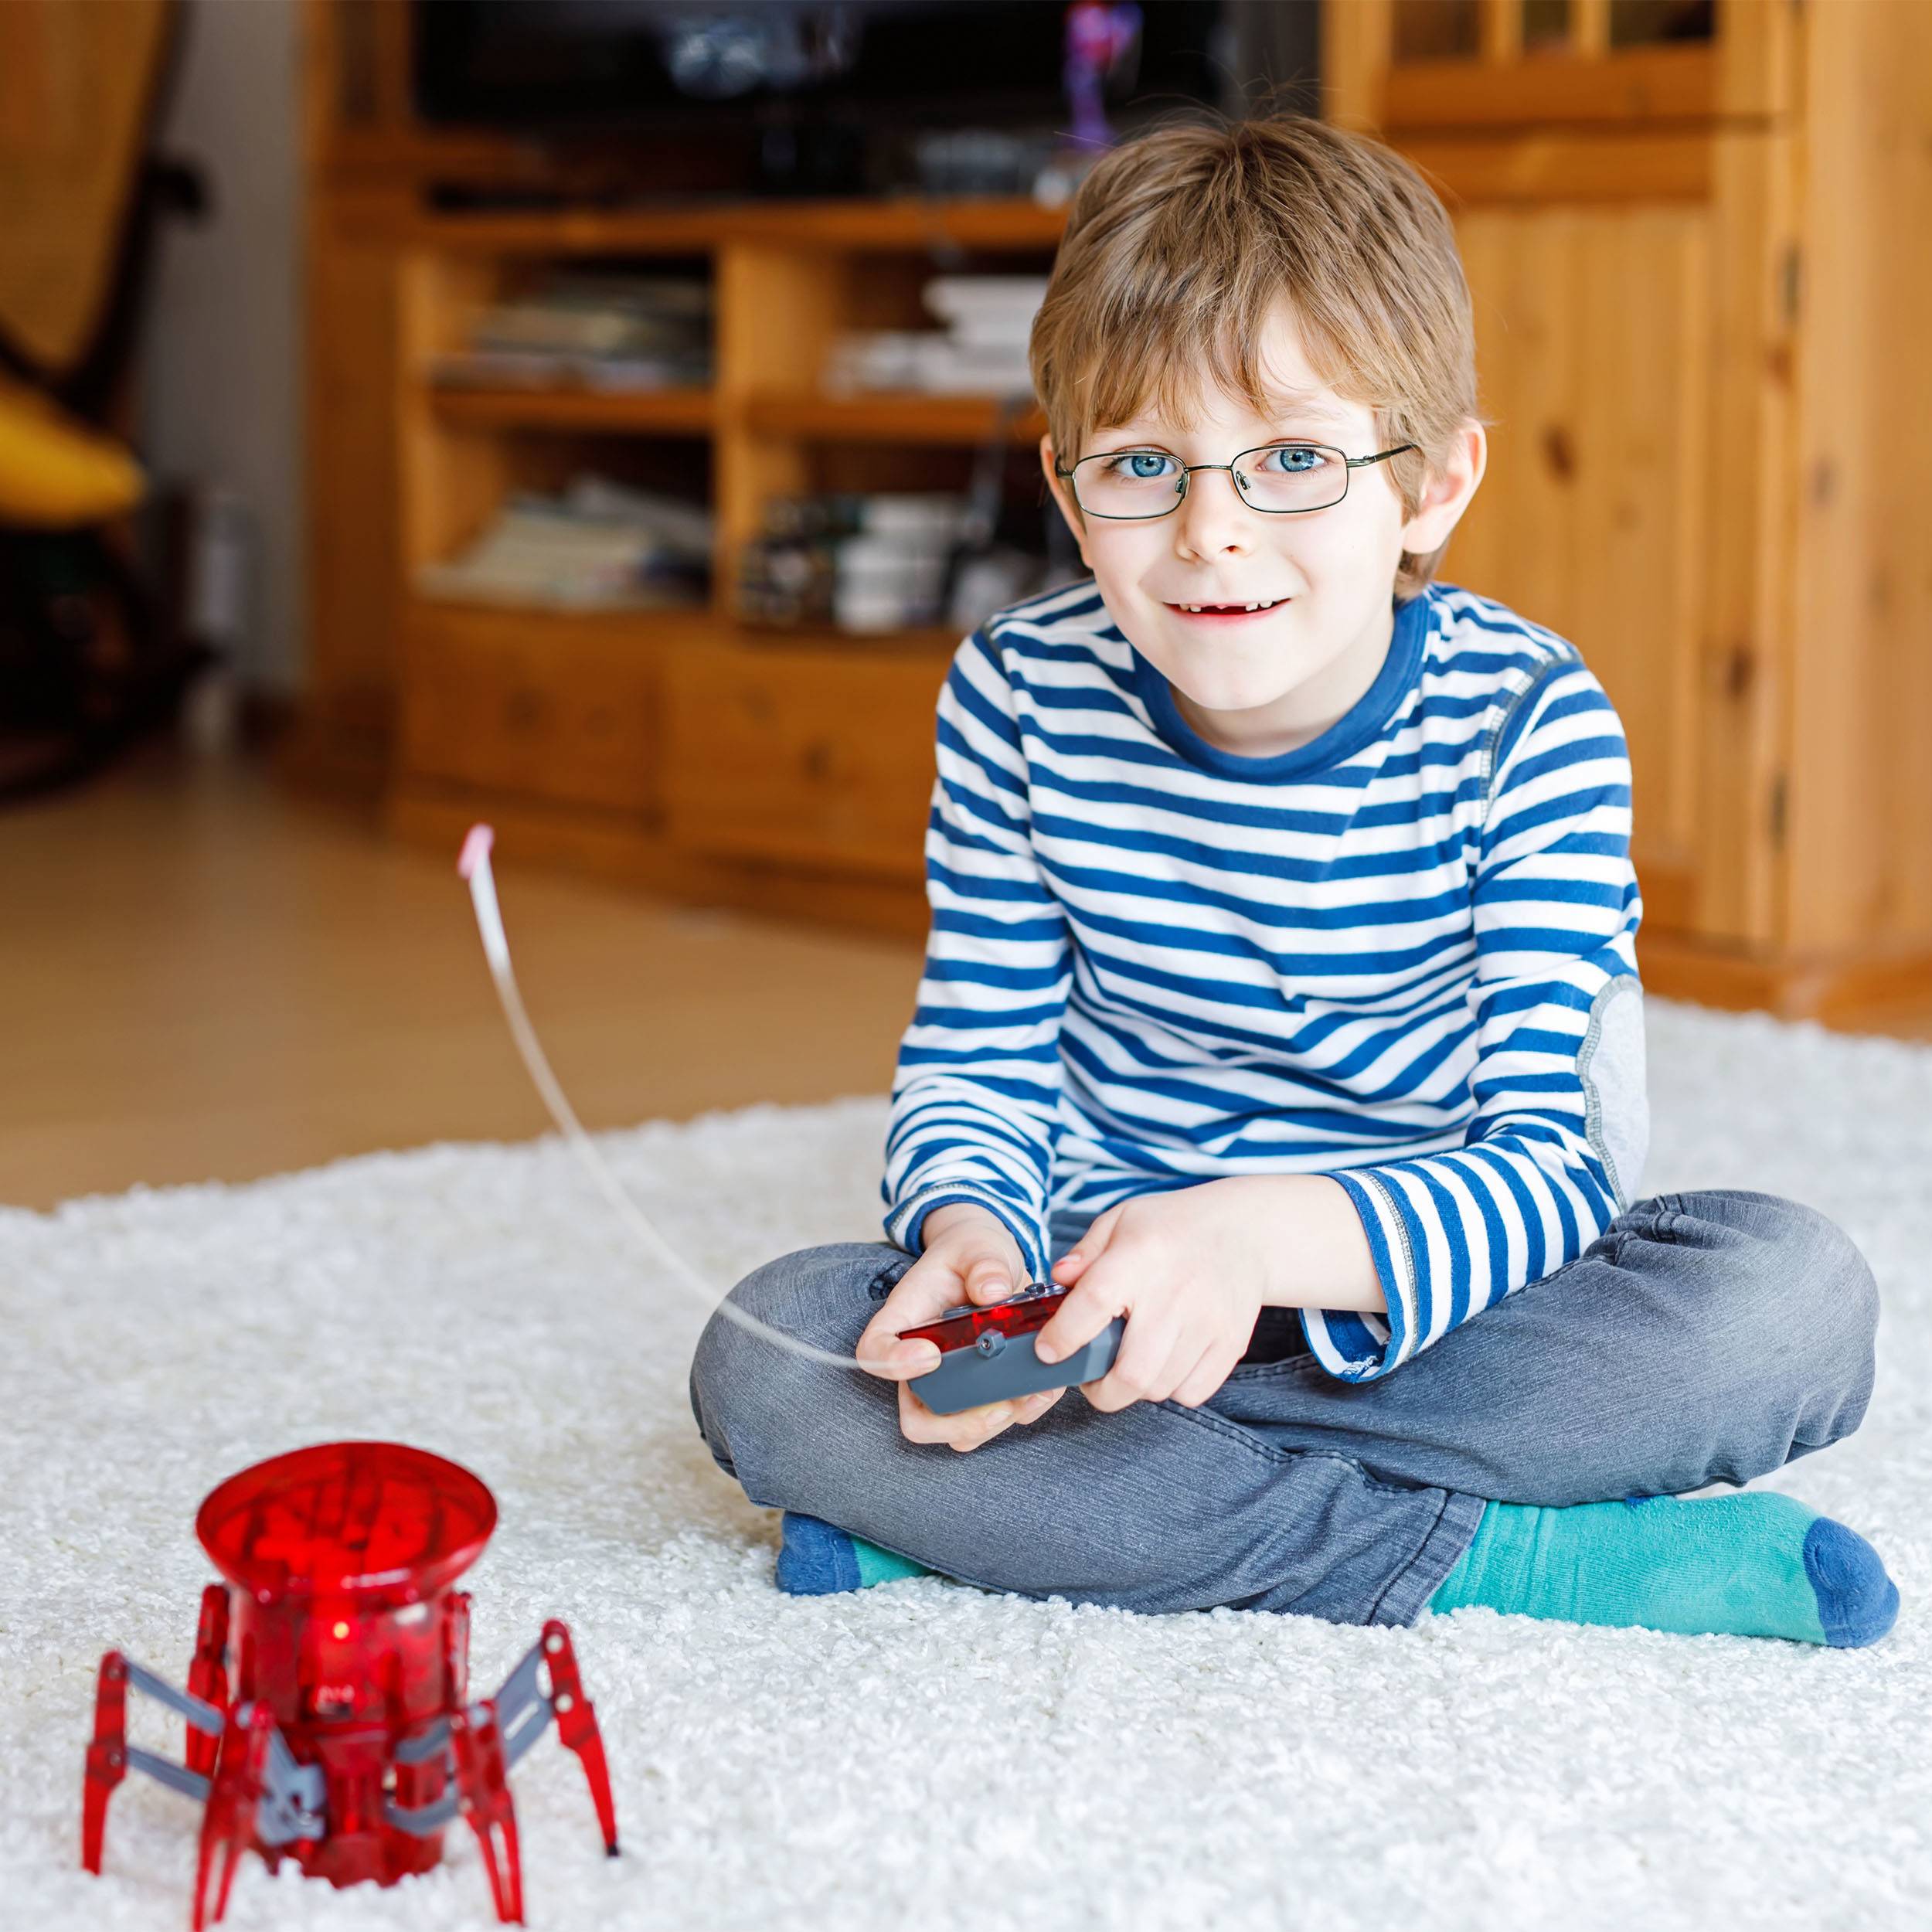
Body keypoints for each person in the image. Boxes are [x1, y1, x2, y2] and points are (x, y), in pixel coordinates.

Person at [688, 113, 1896, 1647]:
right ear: (1068, 495)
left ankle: (1053, 1526)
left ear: (1433, 486)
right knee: (773, 1362)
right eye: (1143, 464)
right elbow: (977, 1054)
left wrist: (1259, 1242)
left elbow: (1549, 1162)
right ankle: (1504, 1561)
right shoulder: (1012, 692)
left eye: (1292, 461)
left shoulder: (1531, 722)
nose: (1209, 528)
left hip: (1424, 1300)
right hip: (1091, 1314)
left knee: (1785, 1303)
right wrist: (970, 1231)